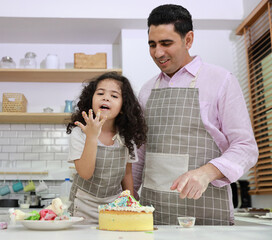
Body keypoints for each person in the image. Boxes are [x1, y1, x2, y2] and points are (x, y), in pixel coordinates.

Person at [132, 4, 258, 225]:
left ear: (188, 39)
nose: (158, 53)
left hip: (206, 214)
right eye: (152, 44)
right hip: (153, 216)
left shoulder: (221, 80)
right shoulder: (146, 90)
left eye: (166, 43)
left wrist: (206, 172)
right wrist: (128, 196)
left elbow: (246, 147)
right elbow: (139, 154)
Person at [66, 71, 147, 223]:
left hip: (115, 206)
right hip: (83, 207)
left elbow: (127, 173)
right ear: (91, 100)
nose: (106, 97)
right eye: (100, 93)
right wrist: (91, 136)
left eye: (114, 96)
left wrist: (131, 203)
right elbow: (85, 173)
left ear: (123, 107)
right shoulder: (80, 133)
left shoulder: (126, 136)